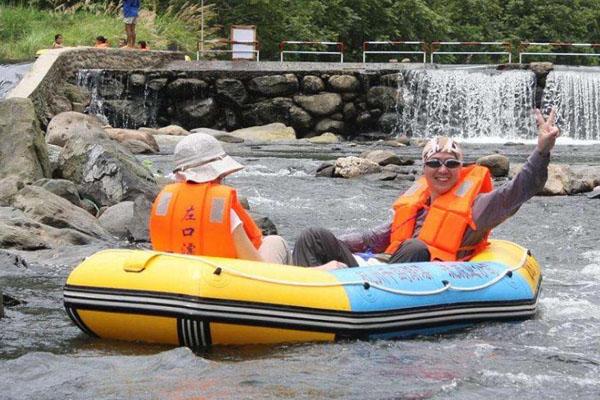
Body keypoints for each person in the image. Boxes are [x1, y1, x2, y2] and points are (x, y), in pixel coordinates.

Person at [292, 108, 560, 268]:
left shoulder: (479, 207)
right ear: (424, 168)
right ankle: (304, 293)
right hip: (377, 272)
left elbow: (521, 189)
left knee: (415, 248)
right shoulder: (417, 204)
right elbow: (374, 239)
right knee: (312, 236)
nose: (442, 170)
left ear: (460, 168)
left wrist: (542, 150)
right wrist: (338, 244)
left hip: (421, 280)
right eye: (434, 163)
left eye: (451, 164)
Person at [149, 133, 292, 265]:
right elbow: (254, 265)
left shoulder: (165, 203)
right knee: (276, 241)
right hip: (223, 283)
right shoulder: (220, 210)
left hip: (179, 278)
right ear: (217, 174)